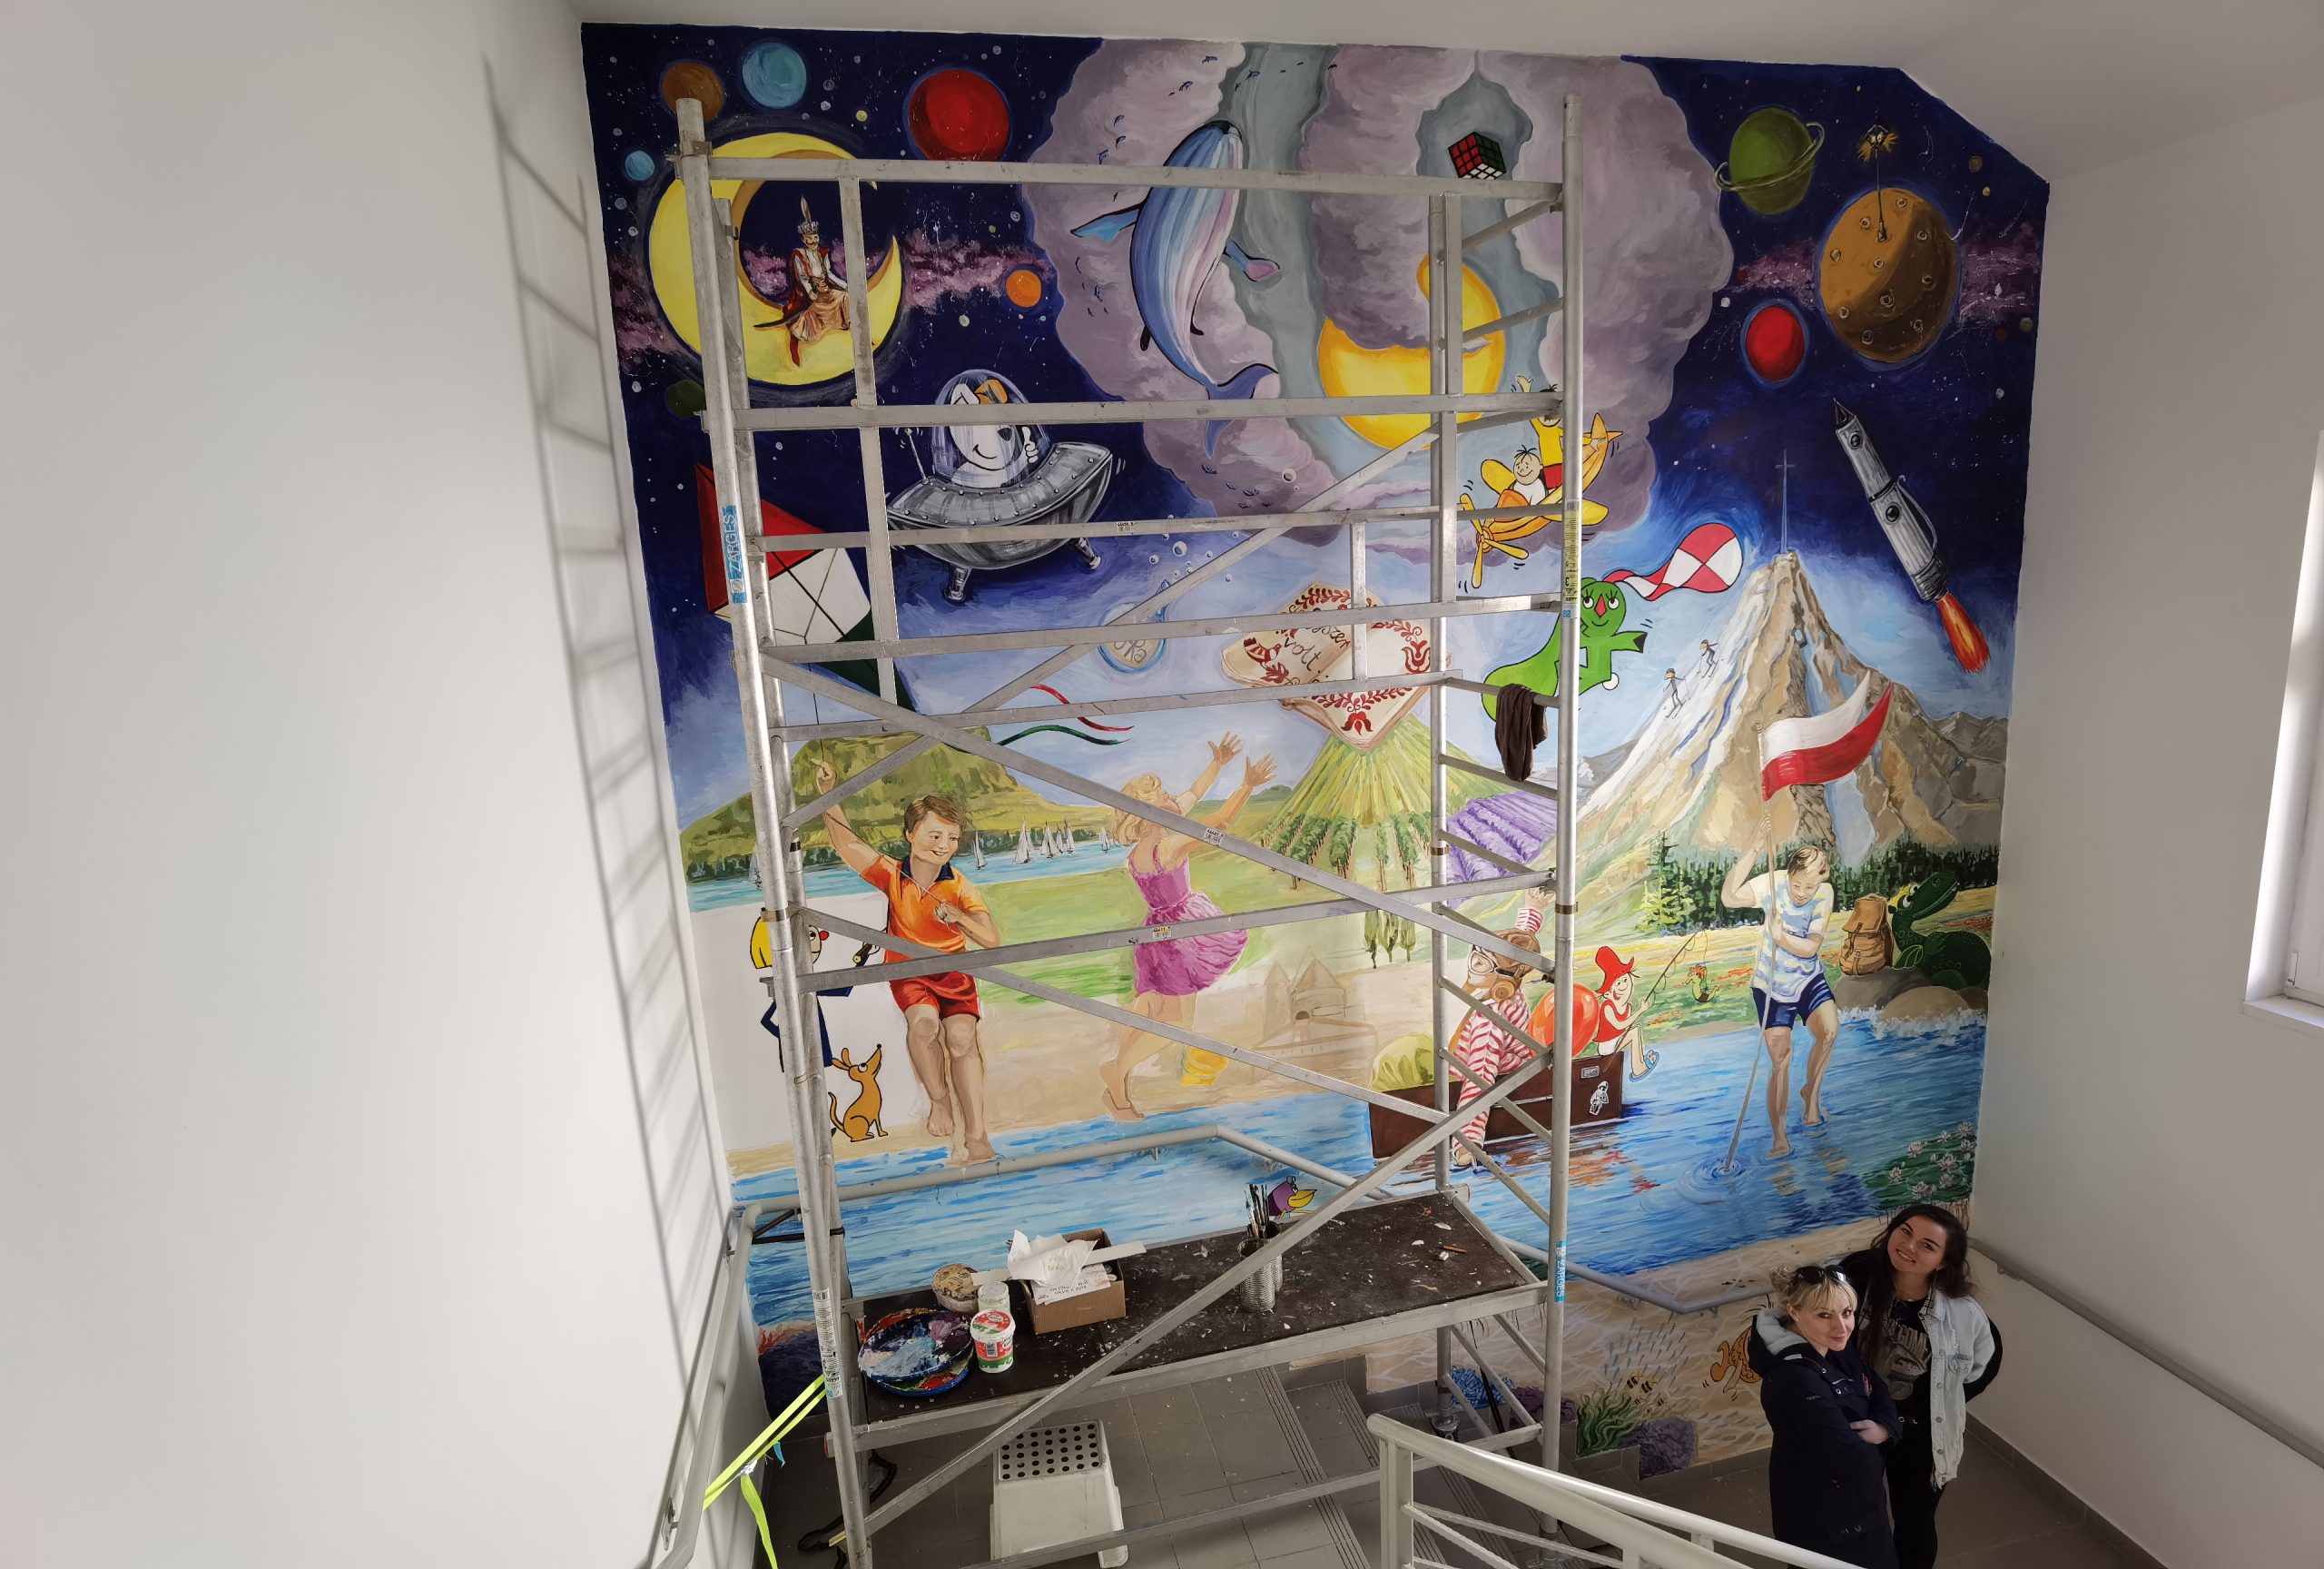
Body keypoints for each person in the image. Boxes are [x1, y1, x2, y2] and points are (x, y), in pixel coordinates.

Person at [815, 765, 1001, 1163]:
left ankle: (976, 1133)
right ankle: (939, 1100)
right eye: (935, 835)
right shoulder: (892, 874)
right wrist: (829, 792)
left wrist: (960, 917)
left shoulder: (959, 883)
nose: (944, 845)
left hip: (954, 972)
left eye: (952, 837)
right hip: (909, 973)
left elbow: (990, 938)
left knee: (962, 1039)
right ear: (910, 835)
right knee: (924, 1025)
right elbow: (847, 844)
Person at [1098, 735, 1275, 1119]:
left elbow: (1192, 795)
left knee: (1147, 1008)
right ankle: (1117, 1070)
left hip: (1155, 935)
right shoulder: (1167, 847)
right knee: (1177, 1021)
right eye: (1162, 795)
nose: (1171, 798)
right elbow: (1221, 822)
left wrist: (1218, 763)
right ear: (1148, 812)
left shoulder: (1143, 847)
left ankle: (1118, 1090)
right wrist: (1247, 786)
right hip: (1177, 938)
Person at [1840, 1206, 2003, 1569]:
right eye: (1905, 1231)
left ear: (1943, 1262)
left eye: (1928, 1245)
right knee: (1850, 1515)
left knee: (1915, 1521)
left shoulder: (1962, 1313)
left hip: (1920, 1434)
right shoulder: (1855, 1278)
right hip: (1858, 1422)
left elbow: (1984, 1365)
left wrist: (1936, 1402)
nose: (1909, 1246)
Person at [1749, 1265, 1899, 1568]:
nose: (1841, 1327)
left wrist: (1885, 1428)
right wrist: (1880, 1448)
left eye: (1847, 1313)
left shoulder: (1832, 1345)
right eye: (1824, 1315)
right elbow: (1855, 1460)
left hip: (1855, 1507)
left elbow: (1877, 1387)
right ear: (1793, 1312)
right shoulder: (1796, 1378)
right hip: (1829, 1518)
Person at [1722, 838, 1840, 1156]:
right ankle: (1779, 1137)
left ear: (1821, 881)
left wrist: (1780, 936)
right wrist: (1754, 850)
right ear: (1789, 875)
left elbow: (1811, 947)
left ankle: (1810, 1095)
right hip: (1771, 986)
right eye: (1796, 884)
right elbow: (1729, 897)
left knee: (1829, 1031)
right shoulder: (1771, 884)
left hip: (1808, 979)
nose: (1801, 893)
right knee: (1781, 1060)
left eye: (1809, 887)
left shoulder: (1824, 894)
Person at [1447, 885, 1551, 1162]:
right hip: (1504, 1059)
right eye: (1475, 956)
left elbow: (1479, 1077)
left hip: (1493, 1066)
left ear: (1503, 979)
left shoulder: (1490, 1021)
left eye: (1481, 963)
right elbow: (1519, 948)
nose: (1472, 965)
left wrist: (1467, 1142)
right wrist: (1533, 910)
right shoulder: (1506, 988)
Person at [1591, 945, 1657, 1081]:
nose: (1623, 985)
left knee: (1634, 1031)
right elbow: (1619, 1026)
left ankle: (1640, 1060)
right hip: (1606, 1046)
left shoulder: (1627, 1007)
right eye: (1618, 983)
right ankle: (1638, 1069)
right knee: (1634, 1032)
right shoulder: (1607, 1007)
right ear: (1608, 993)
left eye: (1625, 980)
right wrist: (1640, 1011)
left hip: (1617, 1040)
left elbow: (1625, 1030)